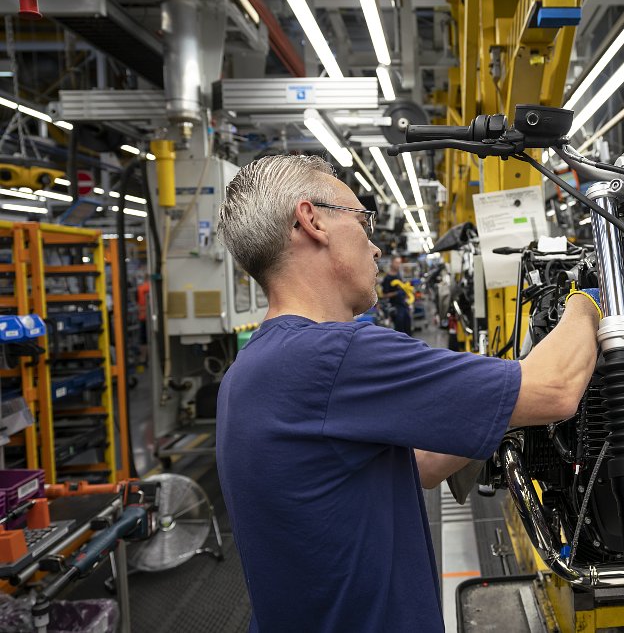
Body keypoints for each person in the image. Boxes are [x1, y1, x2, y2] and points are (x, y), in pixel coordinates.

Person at [214, 155, 600, 633]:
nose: (375, 248)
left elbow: (413, 465)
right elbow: (558, 389)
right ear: (311, 220)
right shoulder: (331, 355)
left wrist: (489, 406)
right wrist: (589, 295)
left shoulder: (252, 368)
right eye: (362, 220)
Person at [381, 255, 412, 334]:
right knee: (400, 331)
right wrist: (396, 293)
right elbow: (384, 295)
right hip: (396, 308)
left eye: (399, 263)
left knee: (408, 328)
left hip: (404, 305)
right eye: (396, 263)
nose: (398, 265)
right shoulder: (387, 278)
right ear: (392, 263)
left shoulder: (399, 275)